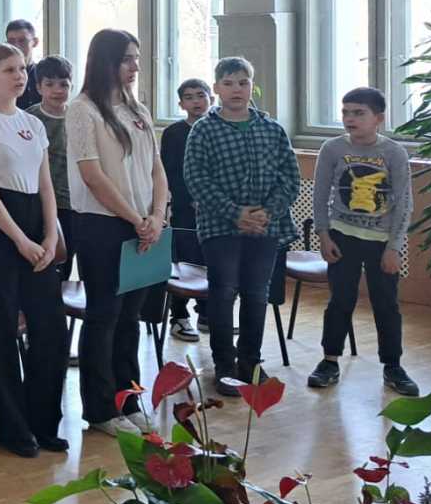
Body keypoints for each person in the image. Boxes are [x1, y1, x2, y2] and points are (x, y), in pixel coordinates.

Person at [0, 43, 68, 457]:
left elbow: (46, 187)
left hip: (35, 222)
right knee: (1, 331)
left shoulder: (32, 123)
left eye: (23, 69)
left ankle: (44, 421)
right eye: (10, 69)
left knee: (51, 328)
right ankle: (12, 427)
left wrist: (49, 236)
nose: (20, 76)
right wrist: (19, 240)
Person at [67, 29, 169, 438]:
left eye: (137, 58)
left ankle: (129, 399)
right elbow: (92, 175)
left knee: (131, 318)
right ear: (106, 61)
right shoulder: (82, 110)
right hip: (102, 224)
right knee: (104, 316)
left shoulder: (136, 108)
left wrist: (156, 215)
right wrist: (135, 219)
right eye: (127, 59)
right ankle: (101, 408)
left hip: (145, 224)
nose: (134, 67)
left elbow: (156, 169)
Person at [184, 56, 300, 396]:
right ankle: (224, 366)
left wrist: (266, 212)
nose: (236, 89)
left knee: (256, 293)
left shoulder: (272, 129)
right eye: (229, 83)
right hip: (220, 227)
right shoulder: (204, 129)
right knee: (223, 292)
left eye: (243, 82)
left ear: (252, 87)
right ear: (217, 88)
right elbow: (196, 179)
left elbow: (290, 178)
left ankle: (251, 362)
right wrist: (236, 213)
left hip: (266, 227)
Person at [309, 86, 418, 396]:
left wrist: (394, 247)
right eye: (346, 112)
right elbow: (320, 195)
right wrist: (323, 235)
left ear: (378, 118)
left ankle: (393, 366)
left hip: (381, 241)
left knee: (386, 304)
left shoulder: (394, 153)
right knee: (340, 301)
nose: (350, 119)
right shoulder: (332, 148)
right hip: (342, 236)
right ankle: (329, 361)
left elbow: (404, 203)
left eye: (359, 113)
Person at [161, 78, 210, 340]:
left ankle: (207, 313)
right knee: (183, 261)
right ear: (181, 104)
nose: (196, 101)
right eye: (189, 97)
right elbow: (169, 172)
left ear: (211, 98)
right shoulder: (174, 133)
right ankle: (179, 317)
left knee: (210, 261)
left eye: (201, 95)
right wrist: (185, 200)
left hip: (214, 209)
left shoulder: (216, 128)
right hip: (184, 208)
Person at [30, 56, 75, 272]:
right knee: (45, 262)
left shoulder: (79, 117)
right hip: (40, 202)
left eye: (64, 84)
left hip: (74, 203)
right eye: (49, 84)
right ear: (39, 87)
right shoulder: (30, 119)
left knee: (68, 261)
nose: (57, 90)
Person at [5, 20, 43, 109]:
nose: (16, 46)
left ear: (35, 42)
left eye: (22, 41)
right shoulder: (1, 75)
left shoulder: (44, 73)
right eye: (11, 42)